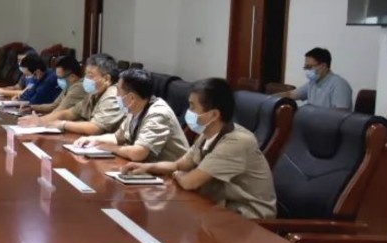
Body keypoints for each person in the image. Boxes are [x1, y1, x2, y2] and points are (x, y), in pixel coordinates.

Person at [124, 78, 277, 219]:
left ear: (214, 114)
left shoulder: (236, 142)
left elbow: (190, 182)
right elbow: (178, 165)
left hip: (249, 221)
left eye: (192, 106)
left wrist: (177, 173)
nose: (188, 112)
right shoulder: (207, 134)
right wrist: (146, 167)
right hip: (218, 210)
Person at [73, 68, 190, 162]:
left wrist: (113, 148)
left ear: (131, 98)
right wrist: (92, 140)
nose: (116, 95)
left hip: (170, 176)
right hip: (147, 169)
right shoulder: (134, 109)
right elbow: (117, 137)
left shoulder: (158, 114)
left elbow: (138, 153)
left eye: (119, 91)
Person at [28, 53, 125, 135]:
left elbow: (95, 128)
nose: (86, 79)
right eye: (86, 74)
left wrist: (63, 124)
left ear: (107, 79)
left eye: (90, 75)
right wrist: (39, 121)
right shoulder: (94, 93)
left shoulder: (113, 95)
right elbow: (69, 113)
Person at [283, 47, 353, 110]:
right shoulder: (312, 83)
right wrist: (275, 98)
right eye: (306, 67)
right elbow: (291, 94)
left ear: (323, 66)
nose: (307, 70)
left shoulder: (339, 85)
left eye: (309, 67)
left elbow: (341, 115)